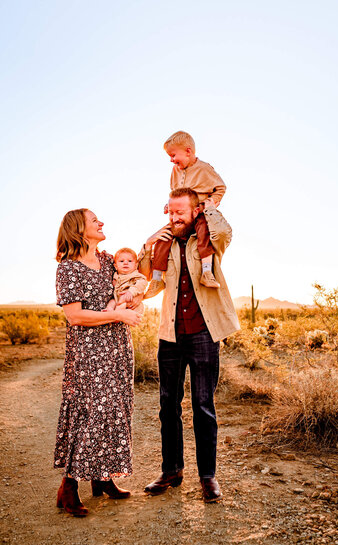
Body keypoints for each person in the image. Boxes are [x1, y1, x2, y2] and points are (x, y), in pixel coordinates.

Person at [140, 188, 240, 503]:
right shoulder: (164, 245)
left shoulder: (208, 240)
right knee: (168, 406)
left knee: (203, 406)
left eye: (180, 212)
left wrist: (208, 209)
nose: (174, 217)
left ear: (194, 211)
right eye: (170, 212)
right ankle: (171, 470)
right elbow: (143, 272)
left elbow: (226, 231)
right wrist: (150, 239)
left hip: (203, 333)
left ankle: (207, 477)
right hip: (170, 334)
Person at [54, 208, 142, 517]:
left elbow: (133, 281)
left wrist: (131, 298)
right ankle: (69, 486)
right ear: (79, 229)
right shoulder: (68, 268)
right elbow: (74, 315)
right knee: (90, 413)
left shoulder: (108, 261)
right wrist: (117, 314)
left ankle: (102, 479)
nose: (101, 222)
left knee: (116, 410)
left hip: (118, 348)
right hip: (89, 352)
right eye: (95, 220)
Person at [144, 131, 226, 299]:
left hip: (199, 212)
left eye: (173, 155)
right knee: (163, 237)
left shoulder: (204, 169)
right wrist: (170, 204)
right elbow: (174, 192)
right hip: (182, 217)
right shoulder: (175, 171)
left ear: (188, 151)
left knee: (204, 233)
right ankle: (157, 279)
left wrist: (211, 203)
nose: (171, 159)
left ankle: (206, 272)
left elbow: (221, 188)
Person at [104, 247, 147, 313]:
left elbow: (143, 283)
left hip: (131, 302)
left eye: (130, 261)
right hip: (117, 299)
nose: (126, 263)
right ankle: (109, 309)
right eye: (121, 261)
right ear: (115, 266)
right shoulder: (115, 275)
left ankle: (117, 314)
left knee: (123, 300)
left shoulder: (135, 275)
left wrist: (131, 292)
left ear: (136, 265)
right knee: (112, 301)